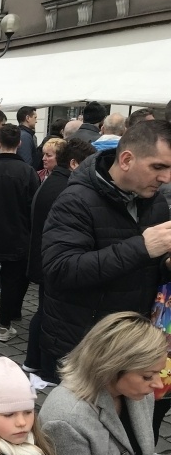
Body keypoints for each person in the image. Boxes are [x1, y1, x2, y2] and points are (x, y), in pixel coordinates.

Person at [41, 120, 171, 384]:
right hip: (85, 347)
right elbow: (61, 269)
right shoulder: (75, 200)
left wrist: (166, 264)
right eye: (158, 167)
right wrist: (143, 247)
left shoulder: (154, 201)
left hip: (132, 345)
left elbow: (147, 270)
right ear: (126, 160)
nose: (166, 178)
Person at [39, 312, 171, 455]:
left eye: (159, 373)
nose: (158, 385)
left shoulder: (135, 391)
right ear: (111, 367)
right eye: (148, 376)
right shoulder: (66, 418)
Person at [24, 139, 96, 378]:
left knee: (44, 311)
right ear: (75, 163)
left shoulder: (53, 182)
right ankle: (43, 366)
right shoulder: (65, 188)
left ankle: (34, 362)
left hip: (43, 258)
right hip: (51, 261)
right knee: (48, 314)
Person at [0, 124, 39, 342]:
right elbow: (34, 206)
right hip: (17, 235)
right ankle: (5, 325)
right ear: (19, 143)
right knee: (12, 282)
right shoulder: (27, 172)